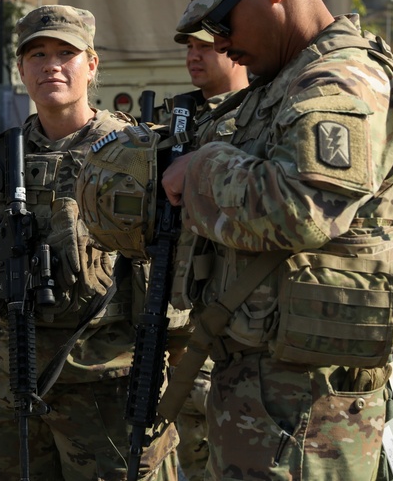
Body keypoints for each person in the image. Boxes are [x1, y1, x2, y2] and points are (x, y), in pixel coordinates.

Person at [160, 0, 393, 480]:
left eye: (225, 22)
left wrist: (202, 170)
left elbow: (300, 207)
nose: (222, 44)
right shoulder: (284, 83)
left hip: (307, 420)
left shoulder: (344, 81)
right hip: (272, 400)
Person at [0, 4, 179, 480]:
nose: (50, 65)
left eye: (65, 53)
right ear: (21, 69)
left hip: (106, 382)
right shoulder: (4, 155)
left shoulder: (136, 151)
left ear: (91, 65)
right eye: (36, 54)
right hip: (11, 376)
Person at [167, 29, 247, 481]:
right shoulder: (178, 119)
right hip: (175, 311)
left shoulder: (255, 119)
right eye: (189, 49)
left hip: (228, 311)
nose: (193, 57)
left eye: (204, 46)